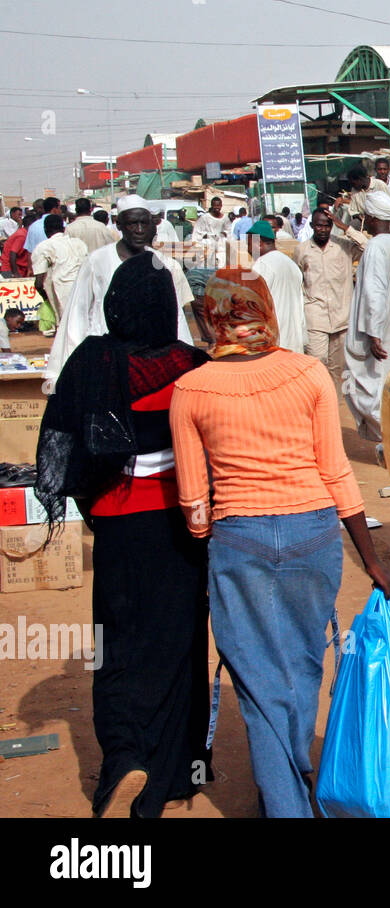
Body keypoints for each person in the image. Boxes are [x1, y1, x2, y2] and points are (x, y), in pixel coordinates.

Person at [170, 268, 390, 819]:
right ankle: (293, 783)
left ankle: (285, 802)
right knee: (300, 666)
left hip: (239, 539)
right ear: (265, 310)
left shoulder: (191, 389)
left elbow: (195, 502)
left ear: (212, 317)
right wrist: (373, 562)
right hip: (313, 535)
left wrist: (209, 540)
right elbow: (338, 474)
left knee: (256, 677)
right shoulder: (309, 372)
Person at [34, 255, 212, 818]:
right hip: (183, 525)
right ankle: (172, 773)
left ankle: (124, 758)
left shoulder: (93, 360)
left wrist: (89, 503)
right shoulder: (194, 366)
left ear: (117, 304)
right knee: (179, 642)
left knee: (117, 642)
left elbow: (63, 439)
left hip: (116, 522)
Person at [45, 195, 196, 391]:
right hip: (105, 359)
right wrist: (69, 367)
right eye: (133, 223)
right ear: (120, 224)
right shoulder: (97, 261)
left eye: (144, 223)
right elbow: (78, 314)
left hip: (152, 364)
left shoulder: (164, 265)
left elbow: (176, 320)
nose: (139, 230)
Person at [343, 191, 390, 441]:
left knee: (373, 387)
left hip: (385, 328)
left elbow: (375, 292)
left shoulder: (376, 247)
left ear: (373, 218)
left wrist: (374, 334)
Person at [295, 207, 362, 381]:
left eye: (327, 225)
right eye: (319, 226)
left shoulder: (344, 246)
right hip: (315, 316)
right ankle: (316, 402)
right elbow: (298, 280)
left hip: (342, 317)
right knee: (316, 364)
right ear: (312, 226)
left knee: (338, 368)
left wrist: (345, 227)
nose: (323, 229)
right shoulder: (302, 250)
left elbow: (367, 247)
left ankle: (335, 405)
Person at [246, 220, 307, 354]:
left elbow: (254, 307)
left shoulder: (262, 265)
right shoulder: (291, 264)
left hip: (274, 343)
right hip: (294, 341)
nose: (248, 250)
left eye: (248, 244)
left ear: (258, 243)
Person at [30, 213, 89, 319]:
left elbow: (39, 283)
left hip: (63, 294)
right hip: (85, 290)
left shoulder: (44, 247)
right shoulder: (79, 243)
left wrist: (47, 299)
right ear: (63, 227)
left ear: (45, 229)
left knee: (67, 327)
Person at [2, 213, 37, 277]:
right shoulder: (22, 236)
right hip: (10, 269)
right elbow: (13, 253)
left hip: (18, 268)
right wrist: (16, 273)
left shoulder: (25, 233)